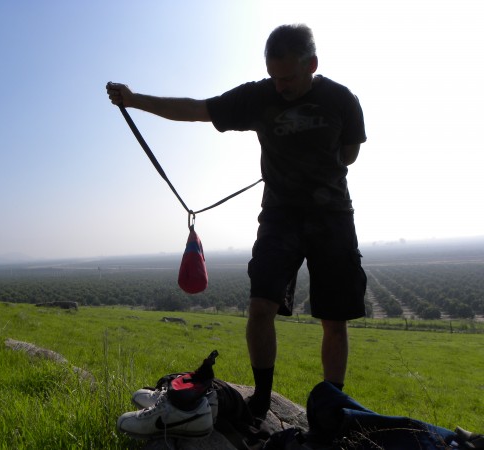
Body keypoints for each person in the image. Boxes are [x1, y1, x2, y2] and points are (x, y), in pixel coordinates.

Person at [106, 23, 367, 420]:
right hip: (279, 217)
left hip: (332, 217)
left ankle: (334, 405)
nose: (280, 87)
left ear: (312, 64)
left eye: (289, 78)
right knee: (260, 306)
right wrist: (134, 99)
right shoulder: (259, 96)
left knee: (334, 318)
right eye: (274, 77)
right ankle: (261, 399)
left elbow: (350, 153)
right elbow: (196, 109)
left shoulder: (342, 100)